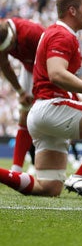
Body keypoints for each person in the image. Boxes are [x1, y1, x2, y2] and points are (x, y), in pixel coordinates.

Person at [0, 0, 82, 199]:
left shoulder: (54, 33)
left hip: (41, 113)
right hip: (51, 108)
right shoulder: (62, 35)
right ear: (72, 11)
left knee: (48, 188)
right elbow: (56, 74)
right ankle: (80, 175)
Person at [0, 17, 45, 172]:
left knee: (43, 115)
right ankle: (16, 168)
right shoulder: (2, 36)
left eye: (11, 46)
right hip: (28, 69)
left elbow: (50, 59)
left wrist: (40, 88)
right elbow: (5, 65)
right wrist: (21, 91)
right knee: (24, 115)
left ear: (13, 34)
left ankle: (41, 164)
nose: (9, 50)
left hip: (47, 69)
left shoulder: (33, 32)